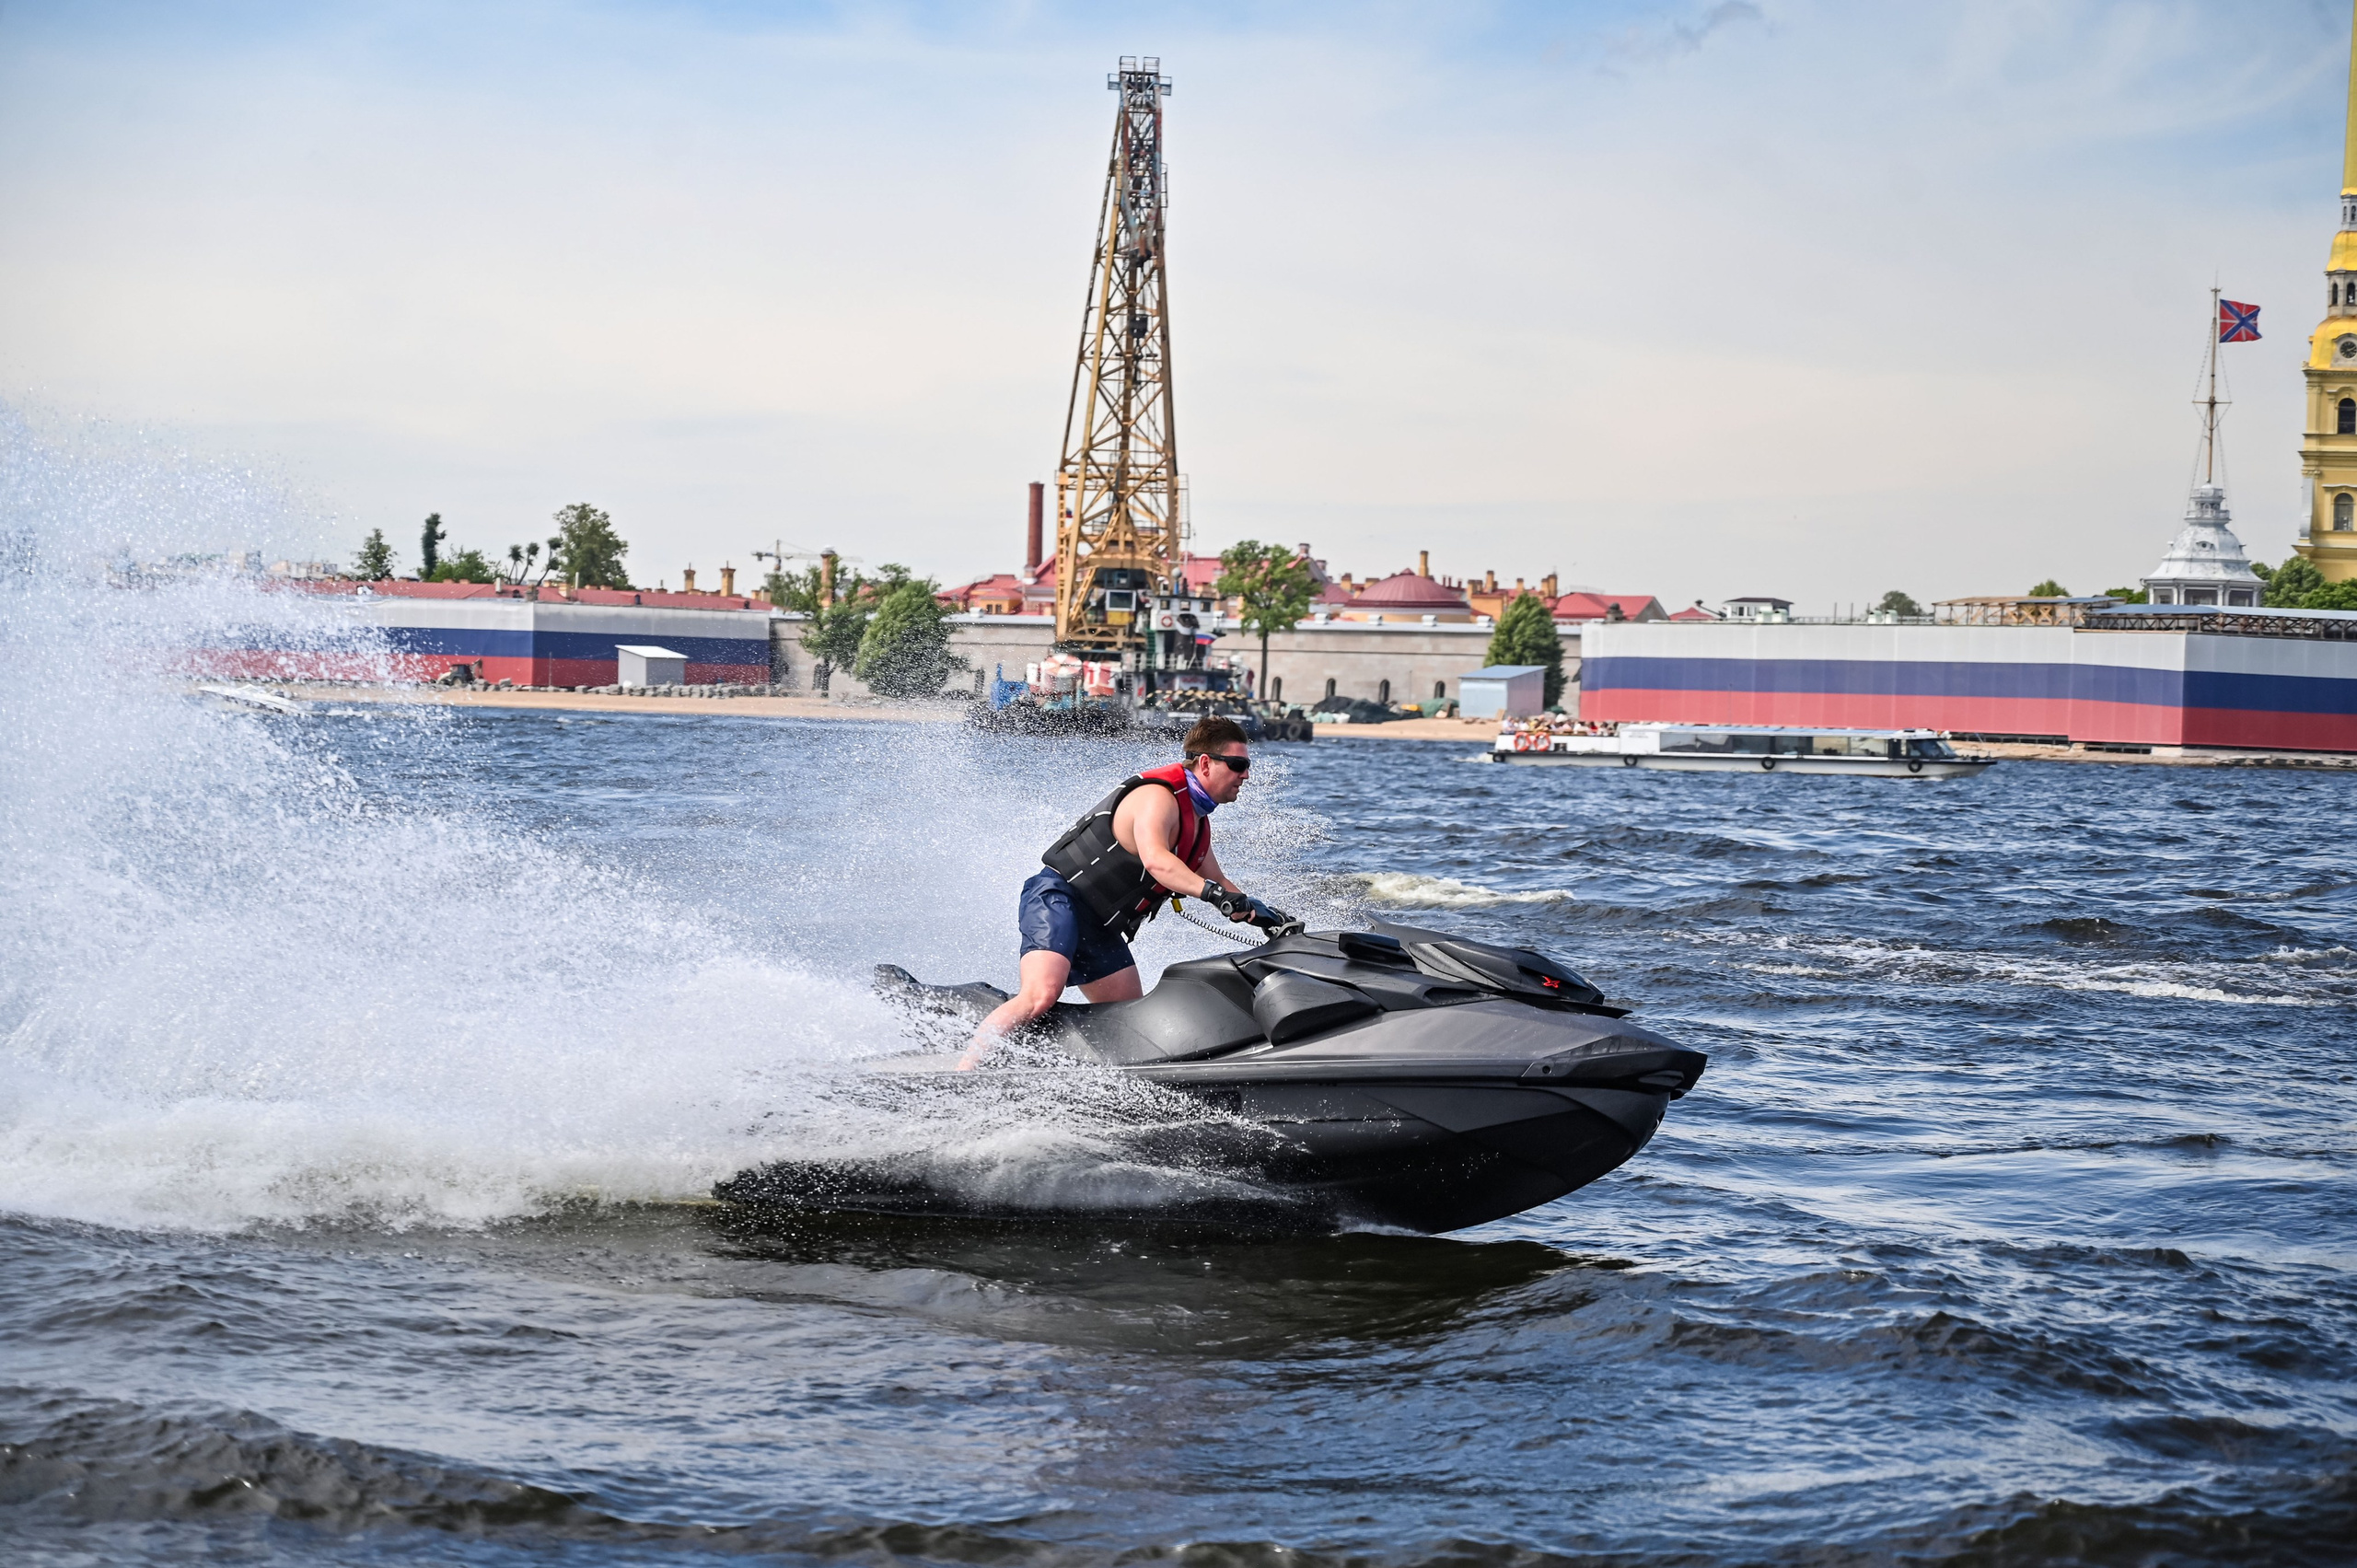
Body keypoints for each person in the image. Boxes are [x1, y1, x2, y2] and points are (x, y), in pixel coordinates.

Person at [962, 715, 1261, 1066]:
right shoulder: (1158, 798)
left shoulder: (1197, 823)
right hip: (1059, 900)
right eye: (1238, 765)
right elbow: (1158, 862)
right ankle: (965, 1072)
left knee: (1128, 1017)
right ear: (1207, 763)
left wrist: (1266, 916)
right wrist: (1213, 895)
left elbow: (1222, 884)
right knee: (1040, 995)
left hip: (1100, 925)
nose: (1246, 775)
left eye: (1248, 766)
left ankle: (1072, 1072)